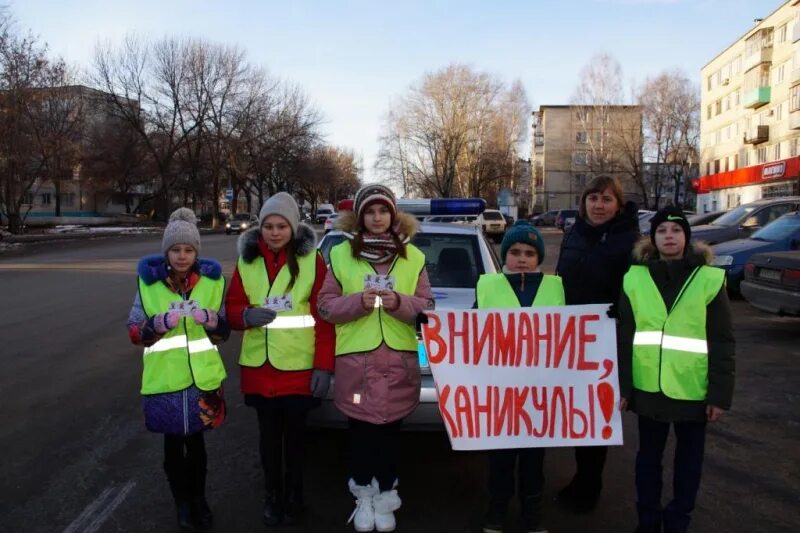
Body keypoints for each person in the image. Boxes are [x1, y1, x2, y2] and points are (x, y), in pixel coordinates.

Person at [317, 184, 434, 533]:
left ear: (393, 215)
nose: (378, 218)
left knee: (390, 436)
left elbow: (427, 307)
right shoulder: (339, 255)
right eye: (370, 212)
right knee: (361, 435)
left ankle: (386, 496)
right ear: (361, 216)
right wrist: (356, 303)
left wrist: (399, 302)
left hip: (399, 363)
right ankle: (363, 496)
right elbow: (325, 306)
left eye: (383, 211)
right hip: (357, 365)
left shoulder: (414, 257)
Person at [617, 207, 735, 533]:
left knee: (689, 464)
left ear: (687, 237)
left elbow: (722, 340)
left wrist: (719, 394)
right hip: (649, 389)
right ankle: (648, 521)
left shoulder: (709, 280)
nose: (669, 236)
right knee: (647, 461)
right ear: (653, 239)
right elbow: (624, 337)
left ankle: (678, 520)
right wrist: (624, 388)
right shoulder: (634, 278)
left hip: (693, 390)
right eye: (662, 230)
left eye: (676, 230)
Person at [225, 193, 335, 526]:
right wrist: (245, 315)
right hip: (260, 369)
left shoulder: (312, 262)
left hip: (299, 369)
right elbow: (230, 309)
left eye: (281, 226)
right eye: (268, 226)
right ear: (260, 228)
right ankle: (272, 496)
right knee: (269, 440)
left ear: (292, 227)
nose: (274, 232)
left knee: (297, 441)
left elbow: (324, 317)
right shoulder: (246, 261)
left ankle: (295, 496)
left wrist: (324, 367)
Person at [126, 207, 229, 530]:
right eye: (175, 250)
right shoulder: (149, 285)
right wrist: (158, 323)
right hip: (166, 380)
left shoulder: (212, 283)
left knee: (197, 447)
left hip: (202, 379)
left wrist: (213, 321)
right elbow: (133, 330)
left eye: (188, 250)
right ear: (166, 252)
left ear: (196, 252)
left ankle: (199, 499)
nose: (182, 256)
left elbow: (223, 331)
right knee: (173, 448)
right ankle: (181, 502)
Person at [554, 175, 640, 512]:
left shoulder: (629, 241)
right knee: (578, 413)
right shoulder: (573, 234)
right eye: (593, 198)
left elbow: (632, 296)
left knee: (597, 415)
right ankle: (580, 477)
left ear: (617, 204)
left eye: (606, 199)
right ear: (584, 202)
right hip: (572, 338)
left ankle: (590, 485)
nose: (599, 205)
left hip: (606, 339)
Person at [476, 220, 563, 533]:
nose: (522, 257)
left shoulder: (556, 287)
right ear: (504, 256)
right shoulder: (486, 286)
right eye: (514, 251)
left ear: (539, 257)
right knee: (500, 459)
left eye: (529, 252)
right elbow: (470, 335)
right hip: (500, 393)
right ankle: (497, 510)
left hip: (540, 393)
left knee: (533, 461)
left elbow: (572, 333)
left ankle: (532, 512)